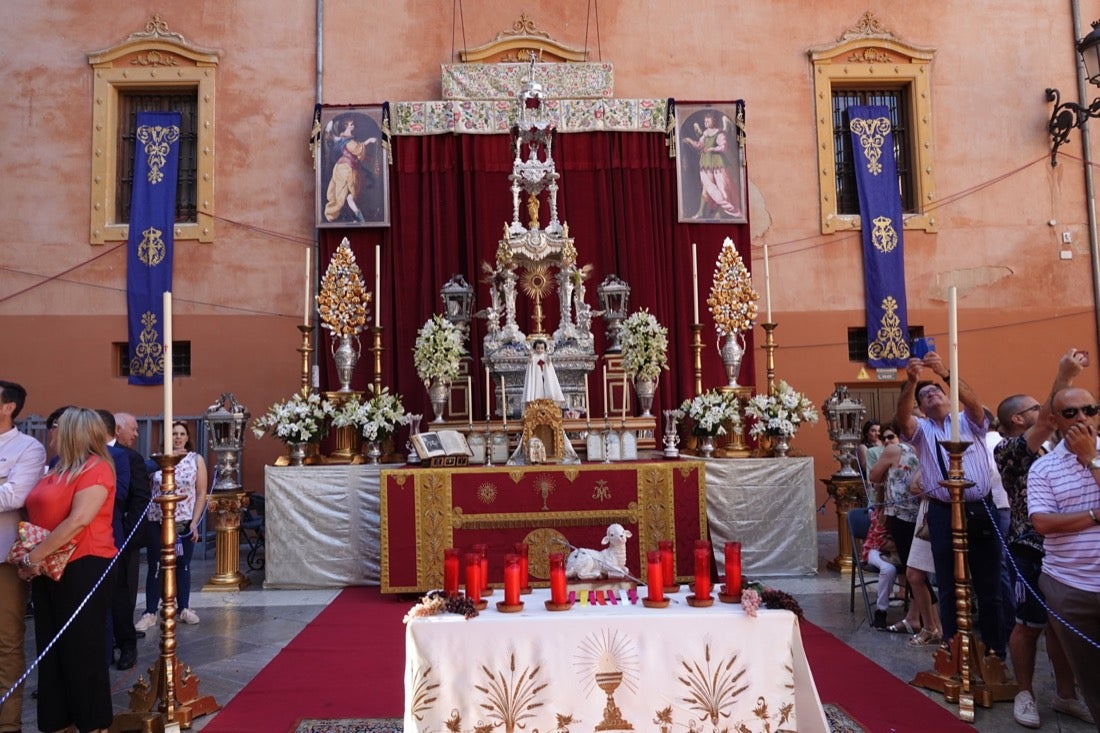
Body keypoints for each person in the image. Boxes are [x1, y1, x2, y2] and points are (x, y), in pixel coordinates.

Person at [995, 349, 1092, 728]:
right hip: (1031, 550)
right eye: (1037, 407)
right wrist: (1064, 376)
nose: (1047, 409)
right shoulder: (1011, 452)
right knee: (1029, 624)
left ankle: (1066, 695)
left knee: (1061, 627)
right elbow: (1055, 416)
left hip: (1073, 552)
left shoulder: (1068, 448)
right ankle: (1025, 692)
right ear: (1019, 418)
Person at [896, 350, 1005, 658]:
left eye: (936, 392)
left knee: (988, 583)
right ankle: (953, 648)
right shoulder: (922, 431)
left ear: (947, 396)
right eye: (924, 396)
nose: (931, 395)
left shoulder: (968, 421)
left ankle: (995, 651)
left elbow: (973, 400)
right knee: (946, 581)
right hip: (942, 511)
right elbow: (903, 419)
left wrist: (945, 372)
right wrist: (911, 381)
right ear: (921, 407)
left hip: (979, 507)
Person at [20, 406, 116, 733]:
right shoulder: (55, 469)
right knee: (52, 648)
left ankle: (93, 724)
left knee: (81, 648)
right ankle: (58, 722)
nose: (50, 431)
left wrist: (35, 556)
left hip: (83, 564)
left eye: (56, 426)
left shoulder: (97, 468)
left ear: (73, 431)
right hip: (47, 568)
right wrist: (32, 556)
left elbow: (78, 520)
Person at [1028, 385, 1100, 725]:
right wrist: (1095, 516)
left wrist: (1091, 459)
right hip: (1072, 585)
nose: (1082, 418)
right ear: (1055, 421)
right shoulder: (1044, 469)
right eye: (1071, 413)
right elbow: (1042, 522)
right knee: (1093, 678)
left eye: (1089, 409)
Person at [0, 381, 47, 733]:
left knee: (8, 641)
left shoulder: (28, 448)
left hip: (3, 559)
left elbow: (14, 496)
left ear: (8, 407)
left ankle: (8, 722)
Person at [869, 424, 940, 642]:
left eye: (890, 435)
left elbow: (873, 475)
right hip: (925, 514)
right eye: (884, 437)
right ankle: (916, 618)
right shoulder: (929, 449)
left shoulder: (895, 450)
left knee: (915, 572)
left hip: (902, 515)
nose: (888, 440)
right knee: (917, 570)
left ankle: (934, 625)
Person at [136, 420, 208, 631]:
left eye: (181, 434)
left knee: (182, 565)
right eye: (174, 434)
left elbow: (201, 492)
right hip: (157, 520)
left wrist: (195, 523)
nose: (178, 437)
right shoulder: (157, 461)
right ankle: (150, 611)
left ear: (187, 437)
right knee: (155, 565)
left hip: (183, 521)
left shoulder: (195, 459)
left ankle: (184, 607)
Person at [103, 410, 151, 671]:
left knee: (123, 594)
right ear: (116, 428)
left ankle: (127, 644)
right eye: (132, 429)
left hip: (123, 537)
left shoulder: (131, 458)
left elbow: (140, 498)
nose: (135, 434)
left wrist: (128, 532)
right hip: (99, 537)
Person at [681, 111, 742, 219]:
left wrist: (712, 149)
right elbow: (700, 145)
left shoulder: (719, 133)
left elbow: (724, 147)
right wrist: (690, 141)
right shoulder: (705, 134)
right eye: (704, 121)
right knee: (706, 189)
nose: (705, 123)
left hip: (717, 165)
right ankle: (700, 212)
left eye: (707, 121)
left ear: (713, 121)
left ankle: (726, 210)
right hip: (706, 164)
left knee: (722, 188)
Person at [323, 115, 379, 223]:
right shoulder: (346, 140)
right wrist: (368, 141)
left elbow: (357, 152)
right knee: (342, 196)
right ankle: (333, 215)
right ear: (346, 127)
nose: (353, 126)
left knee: (350, 196)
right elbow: (357, 149)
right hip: (344, 169)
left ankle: (358, 218)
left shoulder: (347, 139)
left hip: (350, 168)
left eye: (353, 124)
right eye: (351, 124)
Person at [523, 339, 565, 405]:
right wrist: (530, 358)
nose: (540, 350)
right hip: (536, 378)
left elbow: (549, 367)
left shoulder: (545, 356)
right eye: (538, 348)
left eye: (542, 348)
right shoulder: (533, 357)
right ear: (534, 348)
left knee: (546, 387)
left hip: (544, 377)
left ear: (545, 349)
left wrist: (549, 360)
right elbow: (530, 365)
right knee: (537, 388)